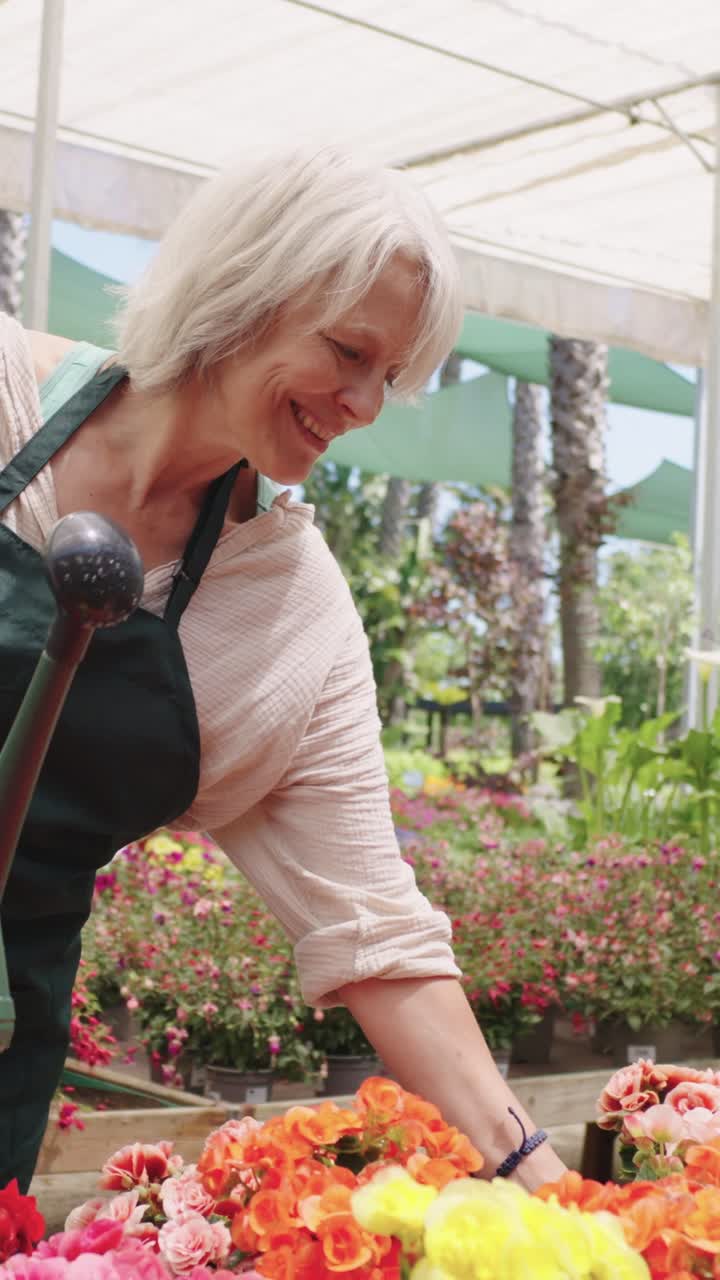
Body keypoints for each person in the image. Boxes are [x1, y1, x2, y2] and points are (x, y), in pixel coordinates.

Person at [0, 145, 566, 1193]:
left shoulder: (285, 614)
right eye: (350, 351)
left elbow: (378, 930)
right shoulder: (6, 398)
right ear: (243, 286)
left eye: (388, 375)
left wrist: (542, 1175)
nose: (365, 402)